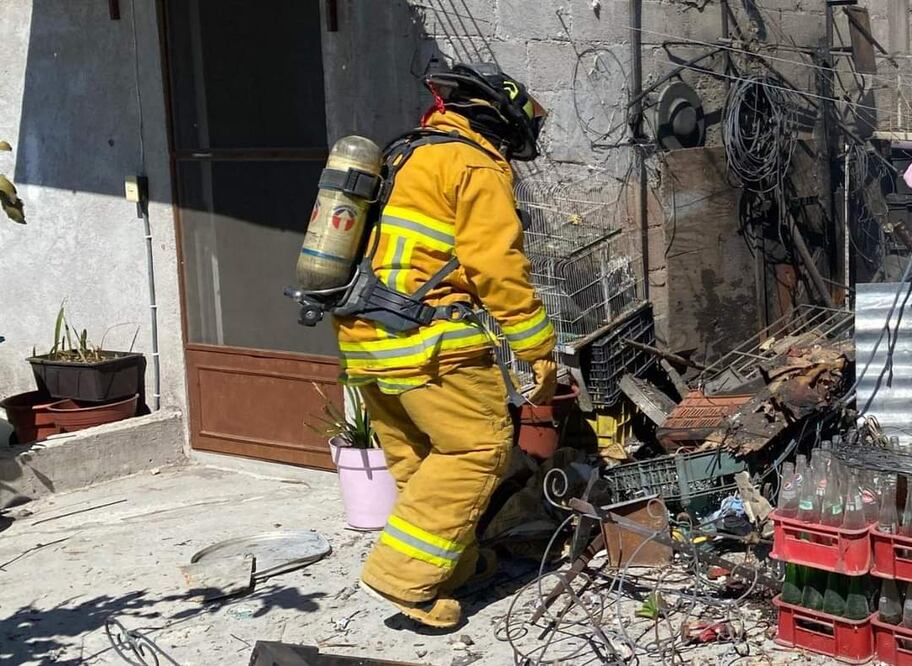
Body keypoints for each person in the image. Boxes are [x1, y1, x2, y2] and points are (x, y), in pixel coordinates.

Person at [333, 62, 557, 628]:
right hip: (429, 344)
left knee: (423, 462)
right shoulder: (474, 163)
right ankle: (404, 577)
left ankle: (449, 570)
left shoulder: (404, 154)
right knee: (477, 448)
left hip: (365, 340)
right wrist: (538, 348)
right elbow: (496, 267)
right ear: (502, 126)